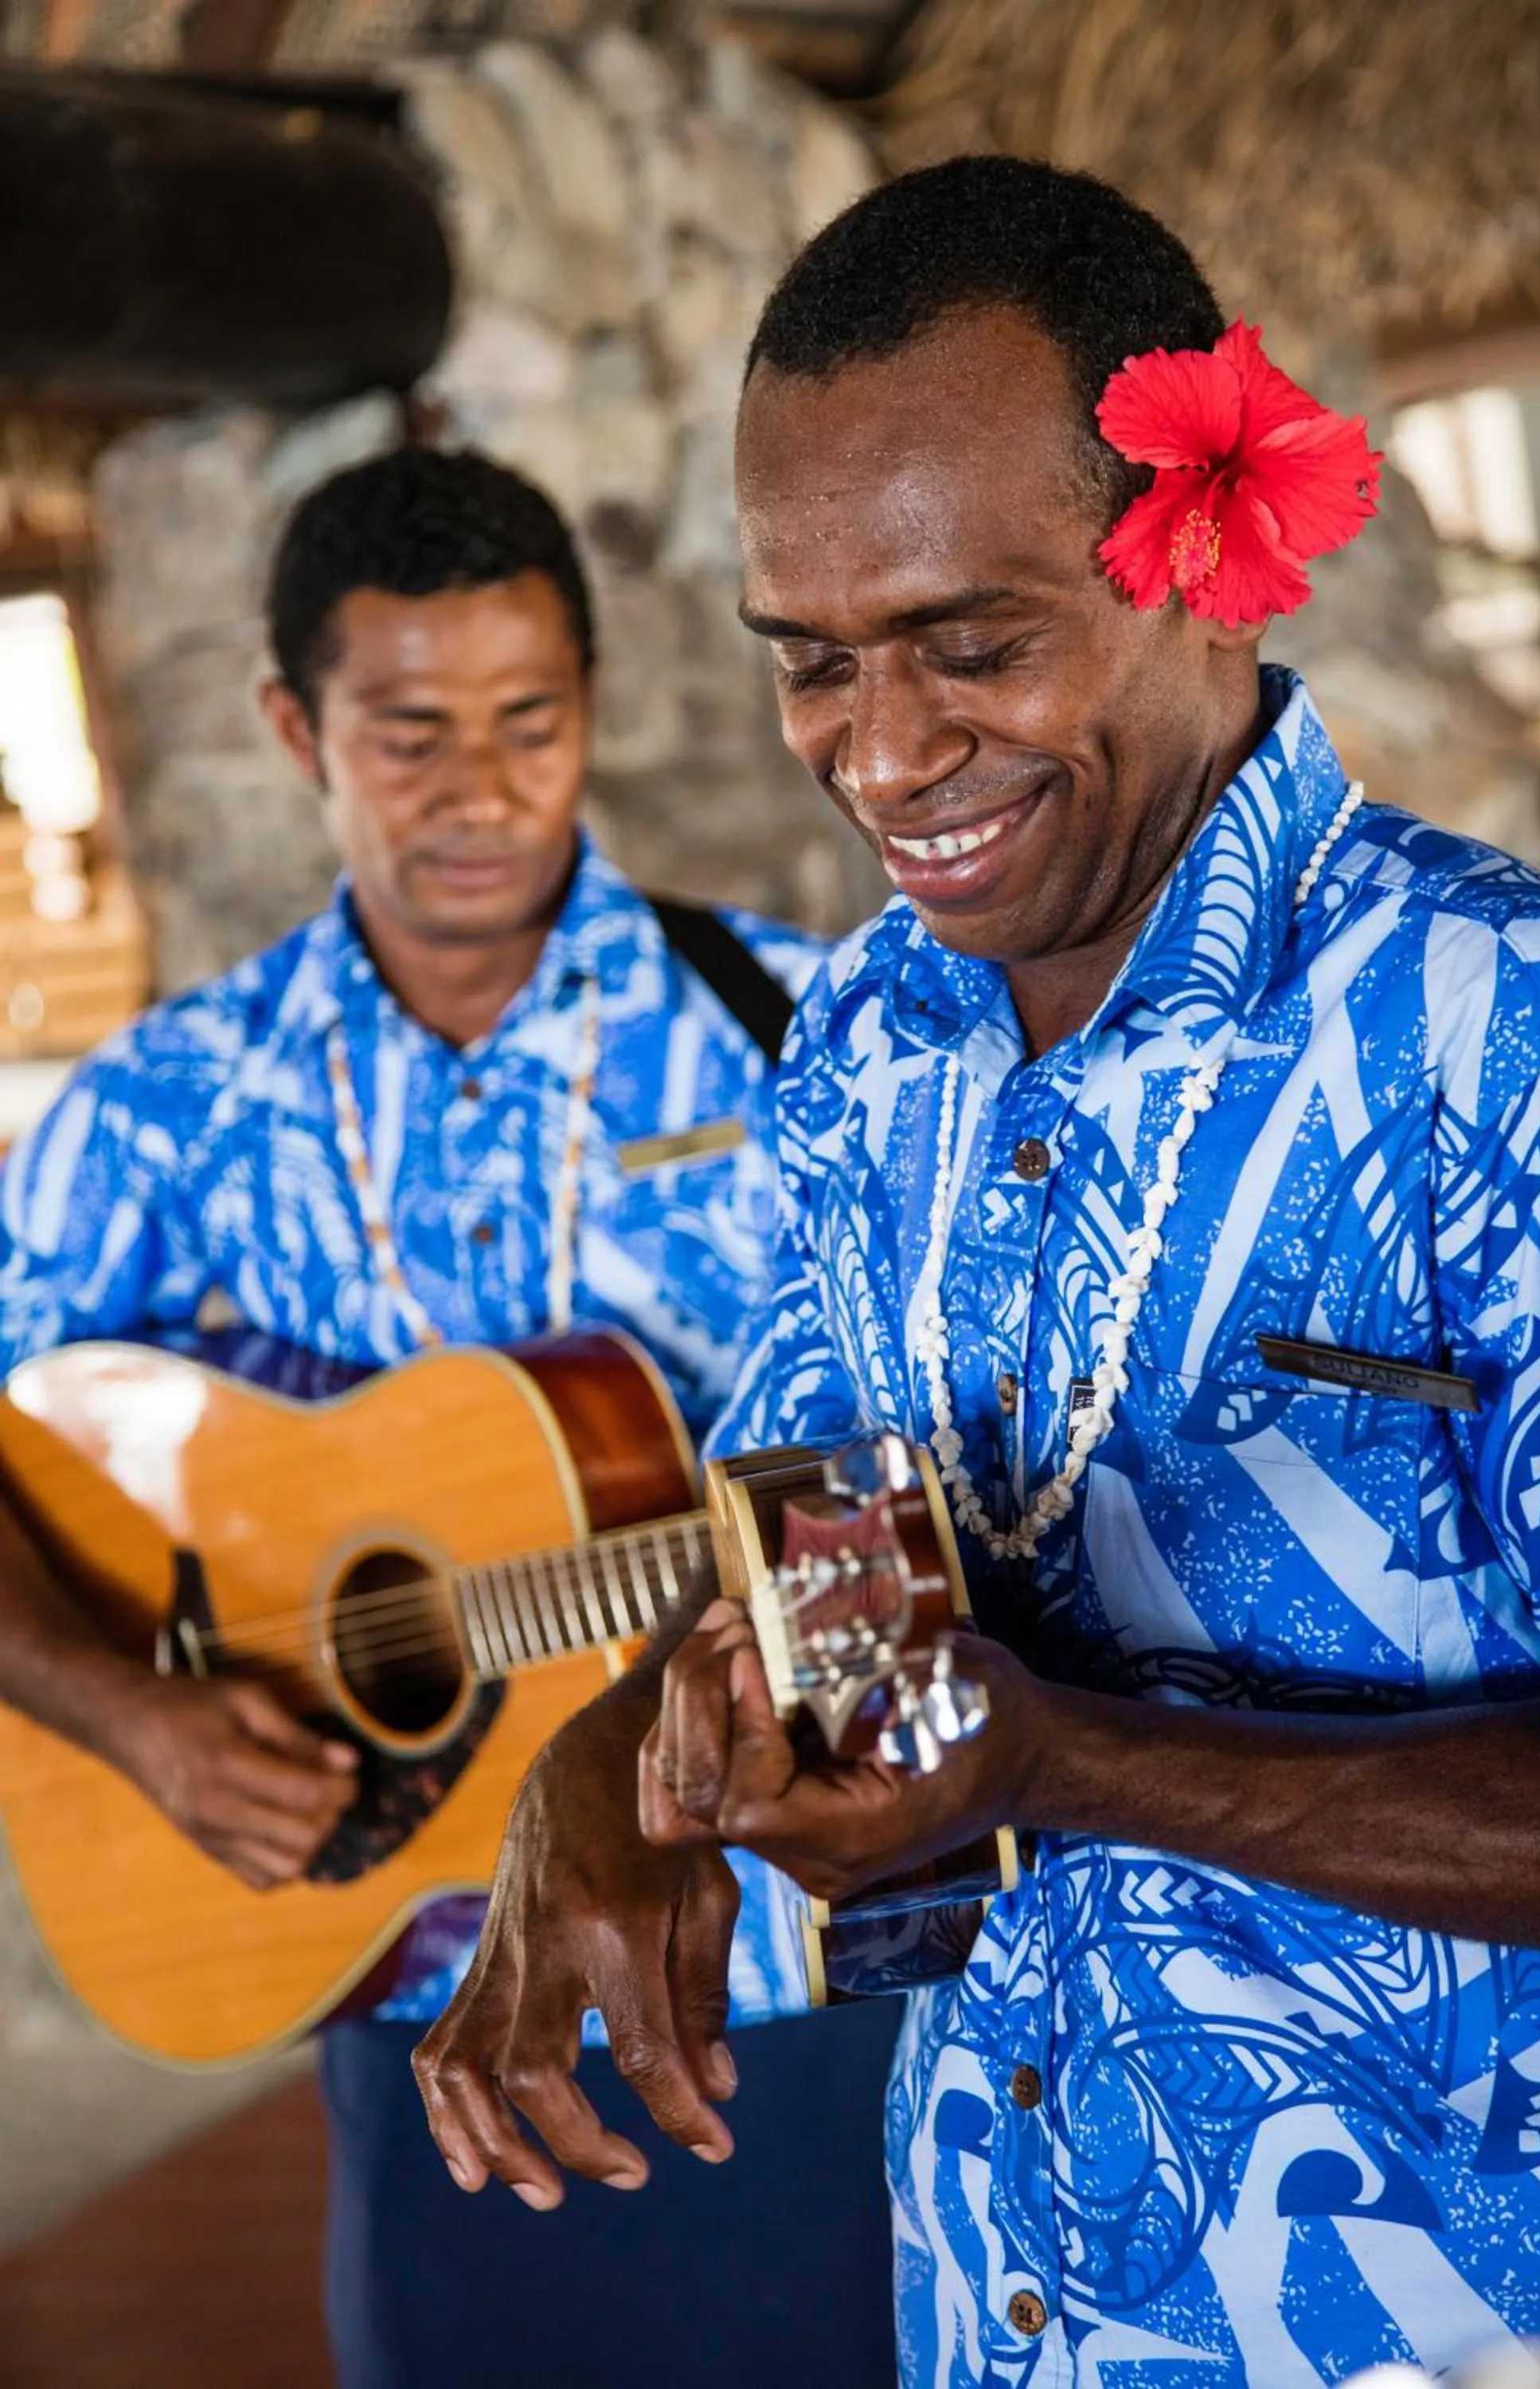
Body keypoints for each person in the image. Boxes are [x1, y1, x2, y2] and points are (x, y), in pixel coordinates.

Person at [415, 160, 1540, 2385]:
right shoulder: (868, 1040)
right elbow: (806, 1528)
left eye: (972, 645)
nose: (883, 755)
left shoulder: (1519, 1041)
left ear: (1202, 561)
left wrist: (1062, 1760)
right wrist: (606, 1752)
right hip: (997, 2301)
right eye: (814, 666)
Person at [0, 446, 901, 2387]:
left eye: (527, 721)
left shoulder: (809, 1030)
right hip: (413, 2005)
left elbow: (931, 1452)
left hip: (787, 1969)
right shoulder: (165, 1109)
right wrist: (133, 1713)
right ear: (287, 728)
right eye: (407, 734)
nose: (480, 788)